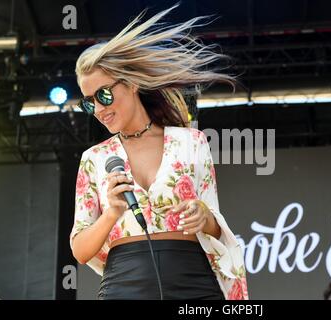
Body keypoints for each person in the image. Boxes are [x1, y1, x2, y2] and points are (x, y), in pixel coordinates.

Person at [70, 3, 249, 300]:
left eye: (104, 94)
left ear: (132, 84)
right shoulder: (94, 158)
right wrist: (112, 212)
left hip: (194, 282)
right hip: (123, 286)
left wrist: (203, 217)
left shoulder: (191, 142)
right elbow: (80, 249)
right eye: (89, 102)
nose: (99, 109)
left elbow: (215, 227)